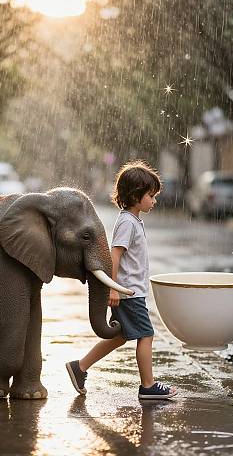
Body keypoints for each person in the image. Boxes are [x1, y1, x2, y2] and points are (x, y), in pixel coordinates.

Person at [66, 161, 178, 400]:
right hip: (129, 292)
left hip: (130, 291)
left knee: (120, 336)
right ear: (136, 196)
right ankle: (148, 386)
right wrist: (113, 290)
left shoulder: (133, 219)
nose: (154, 200)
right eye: (151, 195)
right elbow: (114, 256)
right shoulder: (127, 222)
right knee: (146, 335)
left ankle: (79, 367)